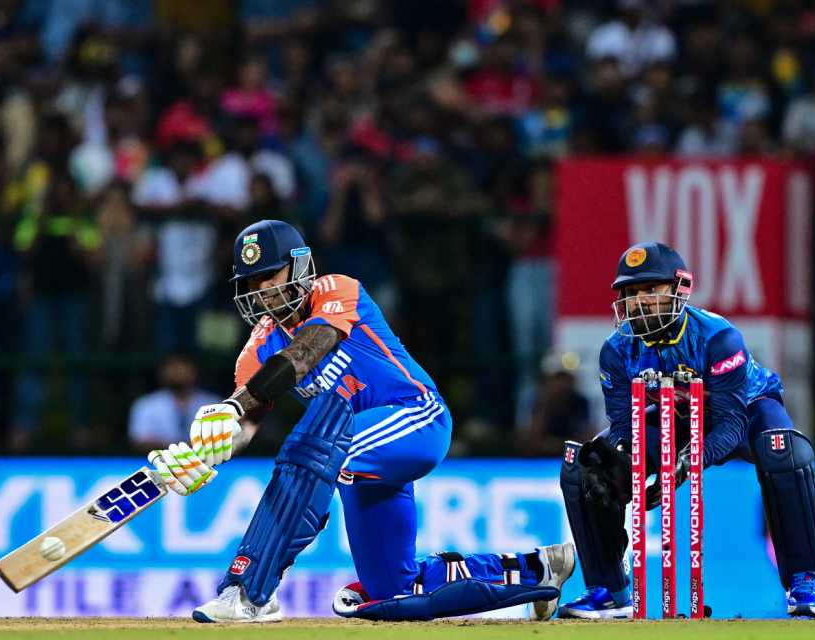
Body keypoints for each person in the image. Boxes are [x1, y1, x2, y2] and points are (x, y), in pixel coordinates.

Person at [145, 219, 575, 622]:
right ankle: (537, 569)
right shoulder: (257, 347)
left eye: (272, 276)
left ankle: (249, 591)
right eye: (255, 284)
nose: (266, 293)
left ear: (299, 266)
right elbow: (247, 422)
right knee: (392, 589)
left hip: (417, 418)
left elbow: (305, 353)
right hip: (363, 462)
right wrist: (206, 451)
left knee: (311, 445)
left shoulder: (336, 289)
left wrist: (234, 406)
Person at [558, 242, 815, 619]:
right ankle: (609, 592)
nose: (640, 302)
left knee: (785, 452)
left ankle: (804, 581)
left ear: (678, 289)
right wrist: (625, 472)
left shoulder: (718, 337)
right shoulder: (616, 351)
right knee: (586, 465)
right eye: (632, 293)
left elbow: (731, 425)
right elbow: (624, 428)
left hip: (745, 410)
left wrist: (685, 464)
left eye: (651, 290)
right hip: (676, 415)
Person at [128, 353, 222, 451]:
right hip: (159, 461)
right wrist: (179, 450)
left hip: (206, 461)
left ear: (194, 372)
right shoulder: (146, 404)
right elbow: (140, 440)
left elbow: (223, 439)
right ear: (162, 373)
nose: (178, 373)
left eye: (183, 368)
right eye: (173, 368)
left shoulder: (213, 403)